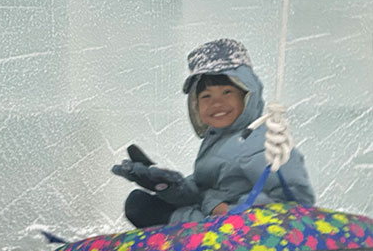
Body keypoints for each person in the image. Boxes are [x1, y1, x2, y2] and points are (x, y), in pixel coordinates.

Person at [112, 38, 315, 228]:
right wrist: (170, 186)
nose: (216, 103)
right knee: (138, 204)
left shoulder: (261, 142)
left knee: (144, 209)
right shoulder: (218, 141)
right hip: (211, 220)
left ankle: (173, 238)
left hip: (241, 229)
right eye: (206, 96)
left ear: (247, 95)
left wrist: (225, 209)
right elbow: (206, 189)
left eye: (227, 92)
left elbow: (295, 200)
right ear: (195, 104)